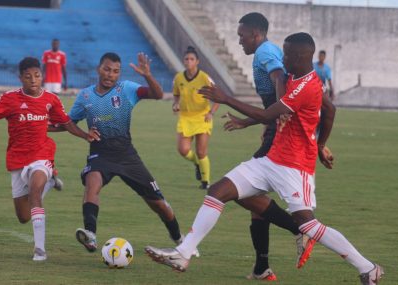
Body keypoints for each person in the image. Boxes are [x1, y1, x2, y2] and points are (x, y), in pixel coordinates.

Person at [145, 33, 383, 285]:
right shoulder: (294, 76)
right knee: (218, 191)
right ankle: (183, 254)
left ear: (301, 56)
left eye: (287, 54)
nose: (283, 58)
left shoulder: (306, 86)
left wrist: (226, 98)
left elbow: (271, 114)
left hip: (295, 168)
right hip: (271, 160)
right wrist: (320, 144)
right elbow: (327, 110)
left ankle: (368, 268)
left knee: (308, 226)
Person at [0, 57, 97, 261]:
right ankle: (50, 183)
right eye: (28, 76)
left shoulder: (51, 99)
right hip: (17, 158)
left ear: (42, 76)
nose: (33, 80)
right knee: (23, 216)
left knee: (35, 192)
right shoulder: (9, 99)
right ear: (20, 78)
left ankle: (39, 250)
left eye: (37, 75)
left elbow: (66, 124)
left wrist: (86, 135)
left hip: (42, 154)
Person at [52, 52, 190, 255]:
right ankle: (90, 234)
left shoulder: (126, 89)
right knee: (92, 183)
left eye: (115, 71)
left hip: (127, 155)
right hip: (100, 153)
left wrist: (147, 75)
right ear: (99, 69)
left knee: (158, 204)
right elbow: (67, 123)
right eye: (107, 69)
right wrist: (41, 125)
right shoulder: (85, 96)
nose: (110, 74)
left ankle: (179, 239)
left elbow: (158, 94)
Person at [227, 12, 326, 280]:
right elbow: (327, 107)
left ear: (255, 34)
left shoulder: (264, 53)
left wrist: (279, 118)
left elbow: (278, 79)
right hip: (275, 129)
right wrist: (320, 143)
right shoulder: (271, 54)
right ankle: (261, 266)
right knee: (253, 199)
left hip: (281, 136)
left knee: (242, 193)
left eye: (241, 35)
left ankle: (300, 229)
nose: (239, 41)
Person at [172, 46, 219, 189]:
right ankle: (197, 163)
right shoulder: (179, 78)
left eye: (191, 59)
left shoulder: (204, 77)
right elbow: (176, 94)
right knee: (183, 150)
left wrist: (211, 112)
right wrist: (175, 104)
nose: (188, 61)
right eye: (186, 59)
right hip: (185, 118)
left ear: (197, 61)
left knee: (201, 151)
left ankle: (205, 182)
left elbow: (218, 96)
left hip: (202, 117)